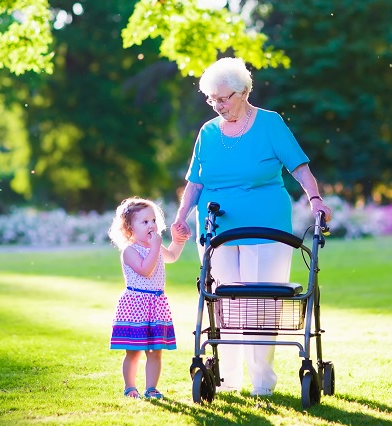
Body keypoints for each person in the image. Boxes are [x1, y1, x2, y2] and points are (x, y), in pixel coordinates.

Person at [171, 57, 333, 397]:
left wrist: (315, 199)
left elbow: (299, 168)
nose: (217, 105)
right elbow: (195, 182)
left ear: (244, 91)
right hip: (217, 230)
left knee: (261, 302)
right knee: (223, 303)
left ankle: (262, 382)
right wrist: (181, 216)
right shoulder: (208, 132)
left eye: (223, 97)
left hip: (266, 227)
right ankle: (228, 379)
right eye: (211, 99)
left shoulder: (270, 124)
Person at [108, 197, 189, 399]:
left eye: (153, 220)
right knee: (133, 351)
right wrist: (155, 247)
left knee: (155, 351)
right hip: (136, 305)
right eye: (144, 222)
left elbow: (171, 256)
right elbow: (146, 270)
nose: (151, 225)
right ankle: (130, 387)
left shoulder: (154, 246)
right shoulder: (130, 251)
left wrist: (178, 241)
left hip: (156, 304)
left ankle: (151, 388)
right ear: (129, 229)